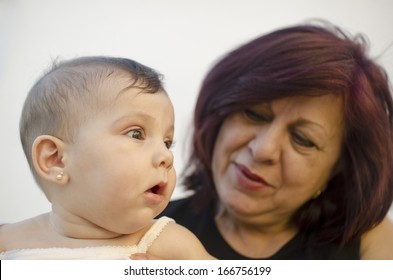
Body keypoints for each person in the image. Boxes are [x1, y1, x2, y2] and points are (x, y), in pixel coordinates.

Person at [135, 22, 393, 260]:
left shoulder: (369, 242)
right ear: (220, 115)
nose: (263, 150)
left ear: (339, 168)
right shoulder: (139, 231)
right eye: (254, 114)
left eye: (303, 139)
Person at [0, 56, 215, 260]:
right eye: (136, 134)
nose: (166, 156)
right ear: (56, 160)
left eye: (167, 142)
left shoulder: (167, 242)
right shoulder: (8, 242)